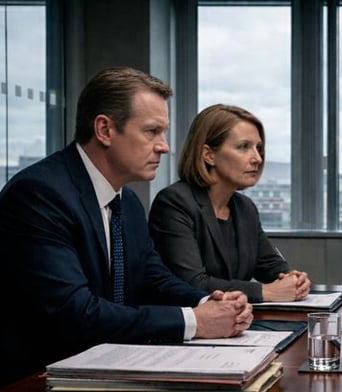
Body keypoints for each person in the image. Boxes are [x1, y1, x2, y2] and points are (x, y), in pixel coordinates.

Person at [0, 67, 253, 385]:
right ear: (105, 130)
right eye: (152, 132)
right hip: (39, 378)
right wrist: (194, 321)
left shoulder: (128, 202)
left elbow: (152, 278)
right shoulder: (39, 194)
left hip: (108, 368)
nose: (165, 146)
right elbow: (76, 313)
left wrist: (210, 302)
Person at [148, 104, 311, 303]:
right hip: (189, 327)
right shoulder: (174, 202)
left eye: (258, 148)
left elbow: (270, 265)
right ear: (208, 155)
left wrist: (292, 280)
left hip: (236, 324)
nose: (257, 159)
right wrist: (264, 292)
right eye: (243, 147)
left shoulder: (245, 208)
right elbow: (192, 282)